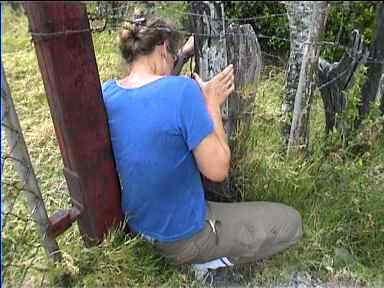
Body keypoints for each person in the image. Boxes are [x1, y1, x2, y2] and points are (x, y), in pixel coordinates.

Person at [101, 15, 303, 276]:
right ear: (163, 49)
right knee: (290, 223)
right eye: (173, 56)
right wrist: (210, 102)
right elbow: (218, 170)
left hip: (139, 227)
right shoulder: (183, 91)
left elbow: (152, 95)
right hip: (182, 239)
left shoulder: (109, 93)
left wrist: (184, 52)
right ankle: (206, 263)